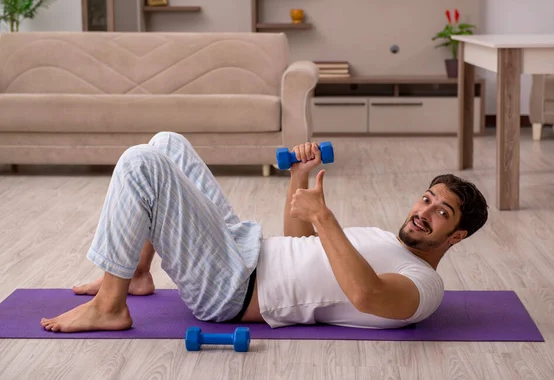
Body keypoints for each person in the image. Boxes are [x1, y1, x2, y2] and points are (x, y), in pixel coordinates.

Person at [41, 132, 488, 332]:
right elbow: (300, 243)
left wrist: (324, 217)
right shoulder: (387, 239)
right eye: (426, 199)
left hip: (231, 289)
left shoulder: (425, 286)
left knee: (142, 163)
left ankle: (110, 306)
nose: (424, 211)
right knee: (166, 143)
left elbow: (367, 296)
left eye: (442, 212)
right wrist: (300, 176)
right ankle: (137, 273)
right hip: (242, 246)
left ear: (457, 236)